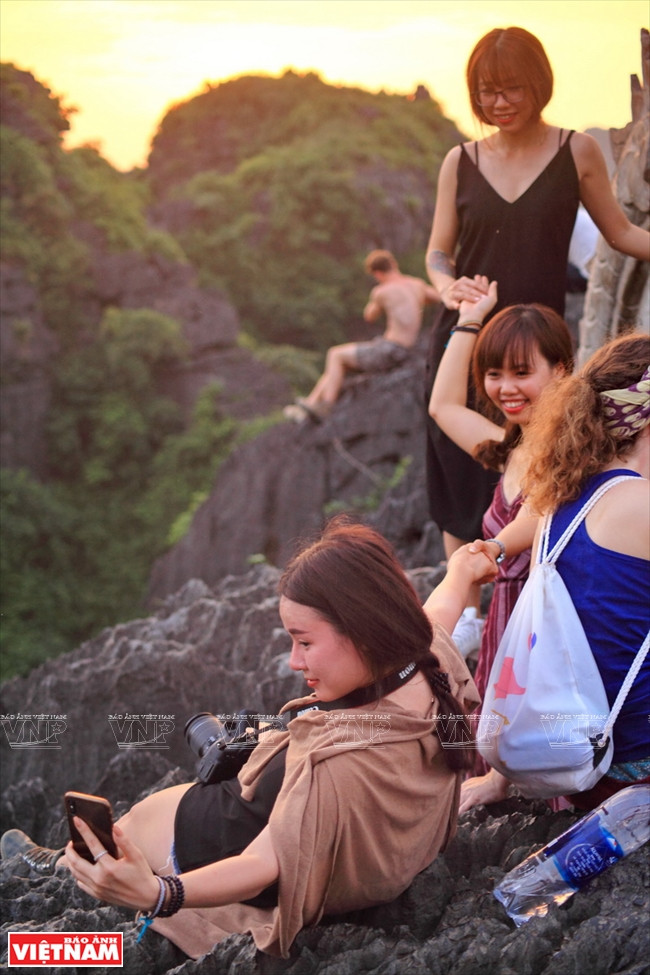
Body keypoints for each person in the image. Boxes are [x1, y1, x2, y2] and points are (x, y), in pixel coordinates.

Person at [2, 517, 496, 960]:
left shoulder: (342, 765)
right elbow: (440, 611)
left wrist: (158, 894)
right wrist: (463, 569)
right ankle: (63, 865)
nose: (293, 661)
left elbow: (263, 863)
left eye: (304, 641)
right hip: (232, 827)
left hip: (201, 869)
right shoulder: (425, 668)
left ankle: (60, 873)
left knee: (71, 947)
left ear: (366, 633)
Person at [424, 26, 650, 611]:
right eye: (487, 91)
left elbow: (621, 233)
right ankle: (466, 617)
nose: (498, 102)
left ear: (539, 84)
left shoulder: (576, 150)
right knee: (461, 476)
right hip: (467, 341)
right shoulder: (460, 161)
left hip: (539, 352)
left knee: (542, 471)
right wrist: (449, 288)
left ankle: (527, 604)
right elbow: (438, 252)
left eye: (512, 89)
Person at [460, 332, 650, 814]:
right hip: (637, 767)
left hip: (585, 765)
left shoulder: (558, 503)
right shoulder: (640, 505)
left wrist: (499, 780)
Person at [428, 280, 574, 691]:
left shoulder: (577, 452)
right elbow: (443, 406)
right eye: (494, 374)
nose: (506, 388)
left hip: (549, 640)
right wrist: (470, 319)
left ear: (560, 370)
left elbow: (541, 510)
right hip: (503, 634)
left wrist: (494, 547)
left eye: (522, 373)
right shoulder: (509, 449)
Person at [284, 250, 439, 423]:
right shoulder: (417, 284)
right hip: (405, 349)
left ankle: (325, 405)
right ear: (394, 265)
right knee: (341, 364)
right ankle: (309, 404)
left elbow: (369, 316)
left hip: (390, 349)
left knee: (335, 354)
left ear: (377, 274)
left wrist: (377, 302)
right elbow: (438, 297)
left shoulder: (381, 291)